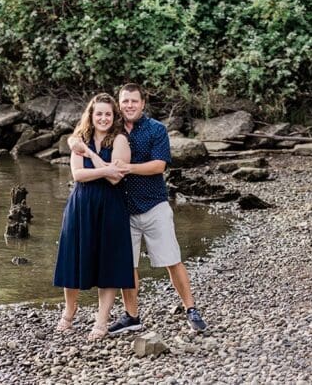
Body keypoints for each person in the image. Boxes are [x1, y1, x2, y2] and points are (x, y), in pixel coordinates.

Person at [69, 83, 208, 334]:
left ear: (143, 103)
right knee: (126, 265)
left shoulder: (156, 129)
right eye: (125, 101)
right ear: (119, 103)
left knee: (171, 259)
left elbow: (159, 166)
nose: (129, 105)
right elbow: (82, 133)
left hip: (154, 204)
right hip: (122, 208)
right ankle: (132, 316)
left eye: (134, 101)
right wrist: (74, 143)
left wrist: (125, 168)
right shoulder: (114, 128)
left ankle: (191, 309)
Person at [52, 93, 134, 340]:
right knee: (73, 257)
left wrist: (92, 155)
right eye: (98, 113)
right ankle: (69, 309)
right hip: (82, 204)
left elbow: (115, 178)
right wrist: (105, 167)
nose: (103, 118)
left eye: (108, 114)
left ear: (114, 116)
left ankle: (101, 319)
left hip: (111, 206)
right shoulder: (79, 139)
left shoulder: (120, 140)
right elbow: (77, 175)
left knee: (108, 262)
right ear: (91, 115)